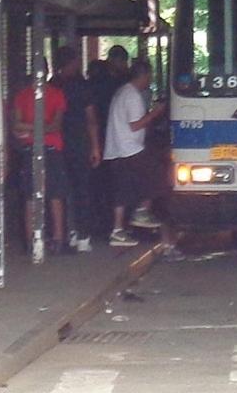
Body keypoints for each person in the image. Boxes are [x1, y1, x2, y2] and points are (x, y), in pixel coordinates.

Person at [104, 60, 168, 247]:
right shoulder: (132, 96)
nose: (151, 80)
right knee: (158, 175)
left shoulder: (122, 92)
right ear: (144, 76)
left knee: (121, 191)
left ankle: (117, 231)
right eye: (150, 76)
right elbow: (136, 125)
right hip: (130, 148)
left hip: (116, 149)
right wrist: (156, 112)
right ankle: (141, 211)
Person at [13, 63, 70, 255]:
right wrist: (42, 128)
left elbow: (21, 126)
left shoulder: (23, 95)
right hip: (51, 147)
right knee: (53, 195)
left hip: (32, 147)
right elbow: (53, 126)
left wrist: (29, 128)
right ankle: (58, 240)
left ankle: (32, 241)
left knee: (33, 195)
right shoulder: (55, 94)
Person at [51, 46, 102, 252]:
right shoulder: (83, 87)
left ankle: (66, 233)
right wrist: (96, 147)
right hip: (79, 144)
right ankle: (83, 236)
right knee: (82, 190)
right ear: (72, 62)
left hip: (56, 144)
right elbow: (91, 120)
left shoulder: (52, 86)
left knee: (61, 191)